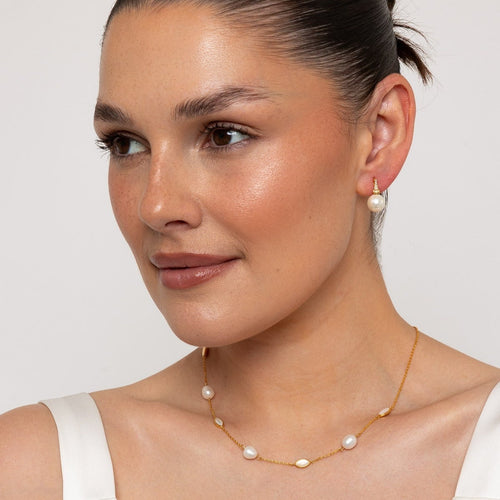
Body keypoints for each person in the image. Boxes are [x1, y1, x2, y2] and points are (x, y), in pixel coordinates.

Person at [1, 0, 499, 498]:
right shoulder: (34, 469)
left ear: (379, 137)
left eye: (223, 135)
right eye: (125, 143)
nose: (156, 205)